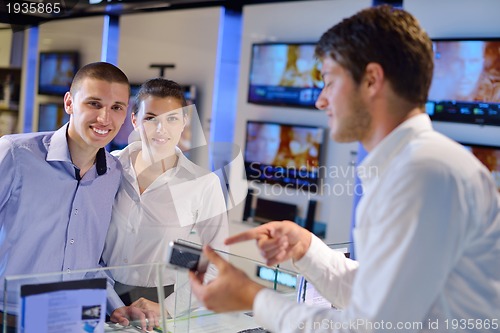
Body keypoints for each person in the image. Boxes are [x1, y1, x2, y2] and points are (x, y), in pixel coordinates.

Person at [189, 5, 500, 332]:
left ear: (371, 80)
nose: (320, 101)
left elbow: (369, 327)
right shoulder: (413, 166)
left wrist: (253, 298)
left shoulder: (424, 173)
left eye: (329, 81)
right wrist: (307, 249)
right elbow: (378, 294)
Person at [0, 62, 155, 331]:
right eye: (94, 104)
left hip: (76, 319)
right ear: (70, 103)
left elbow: (88, 260)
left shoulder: (113, 174)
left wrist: (115, 305)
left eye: (117, 107)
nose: (105, 119)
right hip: (11, 319)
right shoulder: (15, 154)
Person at [102, 78, 228, 318]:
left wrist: (168, 308)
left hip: (156, 305)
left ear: (184, 122)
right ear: (134, 121)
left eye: (172, 118)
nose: (162, 129)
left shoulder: (202, 184)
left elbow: (218, 261)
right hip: (101, 295)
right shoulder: (108, 168)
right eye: (151, 118)